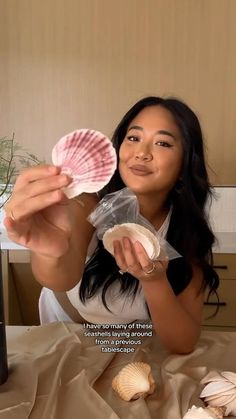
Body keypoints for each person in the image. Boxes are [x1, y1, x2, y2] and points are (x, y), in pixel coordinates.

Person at [3, 96, 219, 354]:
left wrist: (154, 280)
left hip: (134, 341)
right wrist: (50, 252)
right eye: (133, 138)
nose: (141, 152)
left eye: (162, 143)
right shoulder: (85, 202)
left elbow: (183, 342)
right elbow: (60, 277)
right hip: (69, 333)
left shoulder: (188, 232)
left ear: (185, 163)